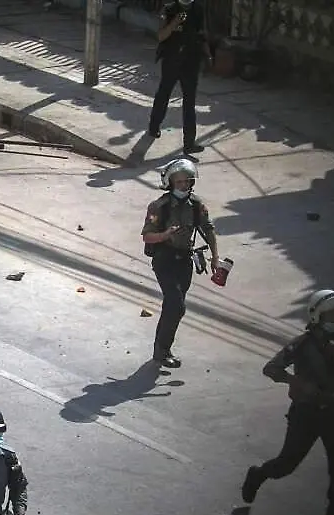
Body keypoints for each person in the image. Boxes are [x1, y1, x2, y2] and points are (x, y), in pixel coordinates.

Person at [241, 290, 334, 515]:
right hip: (306, 414)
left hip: (333, 413)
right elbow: (271, 368)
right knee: (286, 465)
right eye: (332, 316)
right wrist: (297, 383)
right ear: (317, 316)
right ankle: (258, 474)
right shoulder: (302, 344)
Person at [141, 157, 219, 368]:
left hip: (185, 260)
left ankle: (161, 349)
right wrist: (165, 235)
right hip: (164, 259)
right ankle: (162, 351)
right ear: (170, 183)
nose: (184, 185)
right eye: (179, 181)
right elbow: (147, 236)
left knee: (174, 307)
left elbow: (208, 230)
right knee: (176, 304)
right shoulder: (159, 206)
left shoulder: (196, 205)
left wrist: (215, 257)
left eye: (187, 181)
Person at [148, 0, 213, 154]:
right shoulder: (169, 9)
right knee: (164, 94)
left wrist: (208, 55)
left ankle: (189, 143)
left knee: (189, 102)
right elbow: (161, 36)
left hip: (191, 62)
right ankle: (154, 127)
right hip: (172, 61)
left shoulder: (198, 9)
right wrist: (174, 23)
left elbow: (202, 35)